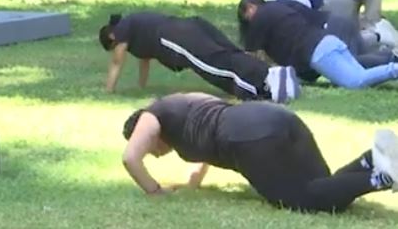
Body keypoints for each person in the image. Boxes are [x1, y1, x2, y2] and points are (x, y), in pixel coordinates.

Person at [121, 92, 398, 213]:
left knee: (303, 200)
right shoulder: (183, 103)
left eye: (151, 150)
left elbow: (130, 158)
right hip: (275, 117)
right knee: (327, 189)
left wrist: (155, 192)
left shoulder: (152, 115)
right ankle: (371, 159)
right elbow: (204, 148)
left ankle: (381, 178)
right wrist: (193, 184)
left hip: (248, 139)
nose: (153, 155)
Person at [98, 12, 301, 103]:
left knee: (216, 64)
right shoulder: (136, 28)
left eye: (114, 45)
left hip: (176, 37)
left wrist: (109, 90)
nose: (118, 49)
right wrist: (142, 87)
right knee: (227, 51)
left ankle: (263, 87)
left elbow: (117, 61)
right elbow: (145, 60)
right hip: (190, 25)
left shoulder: (122, 29)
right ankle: (274, 75)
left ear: (111, 36)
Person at [237, 0, 398, 89]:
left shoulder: (259, 18)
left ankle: (394, 68)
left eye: (246, 15)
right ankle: (390, 60)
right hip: (327, 40)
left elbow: (250, 55)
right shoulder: (280, 6)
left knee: (355, 81)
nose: (248, 20)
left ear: (251, 7)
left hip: (318, 52)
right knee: (360, 71)